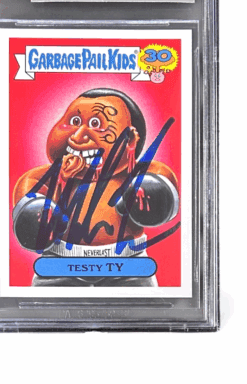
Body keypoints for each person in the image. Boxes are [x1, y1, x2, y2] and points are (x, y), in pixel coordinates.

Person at [12, 88, 179, 286]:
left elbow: (163, 190)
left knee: (139, 305)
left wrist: (145, 191)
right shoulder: (45, 177)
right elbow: (30, 212)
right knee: (46, 305)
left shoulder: (138, 172)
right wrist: (58, 186)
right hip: (60, 262)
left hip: (127, 263)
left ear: (130, 140)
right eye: (74, 121)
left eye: (96, 124)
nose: (78, 137)